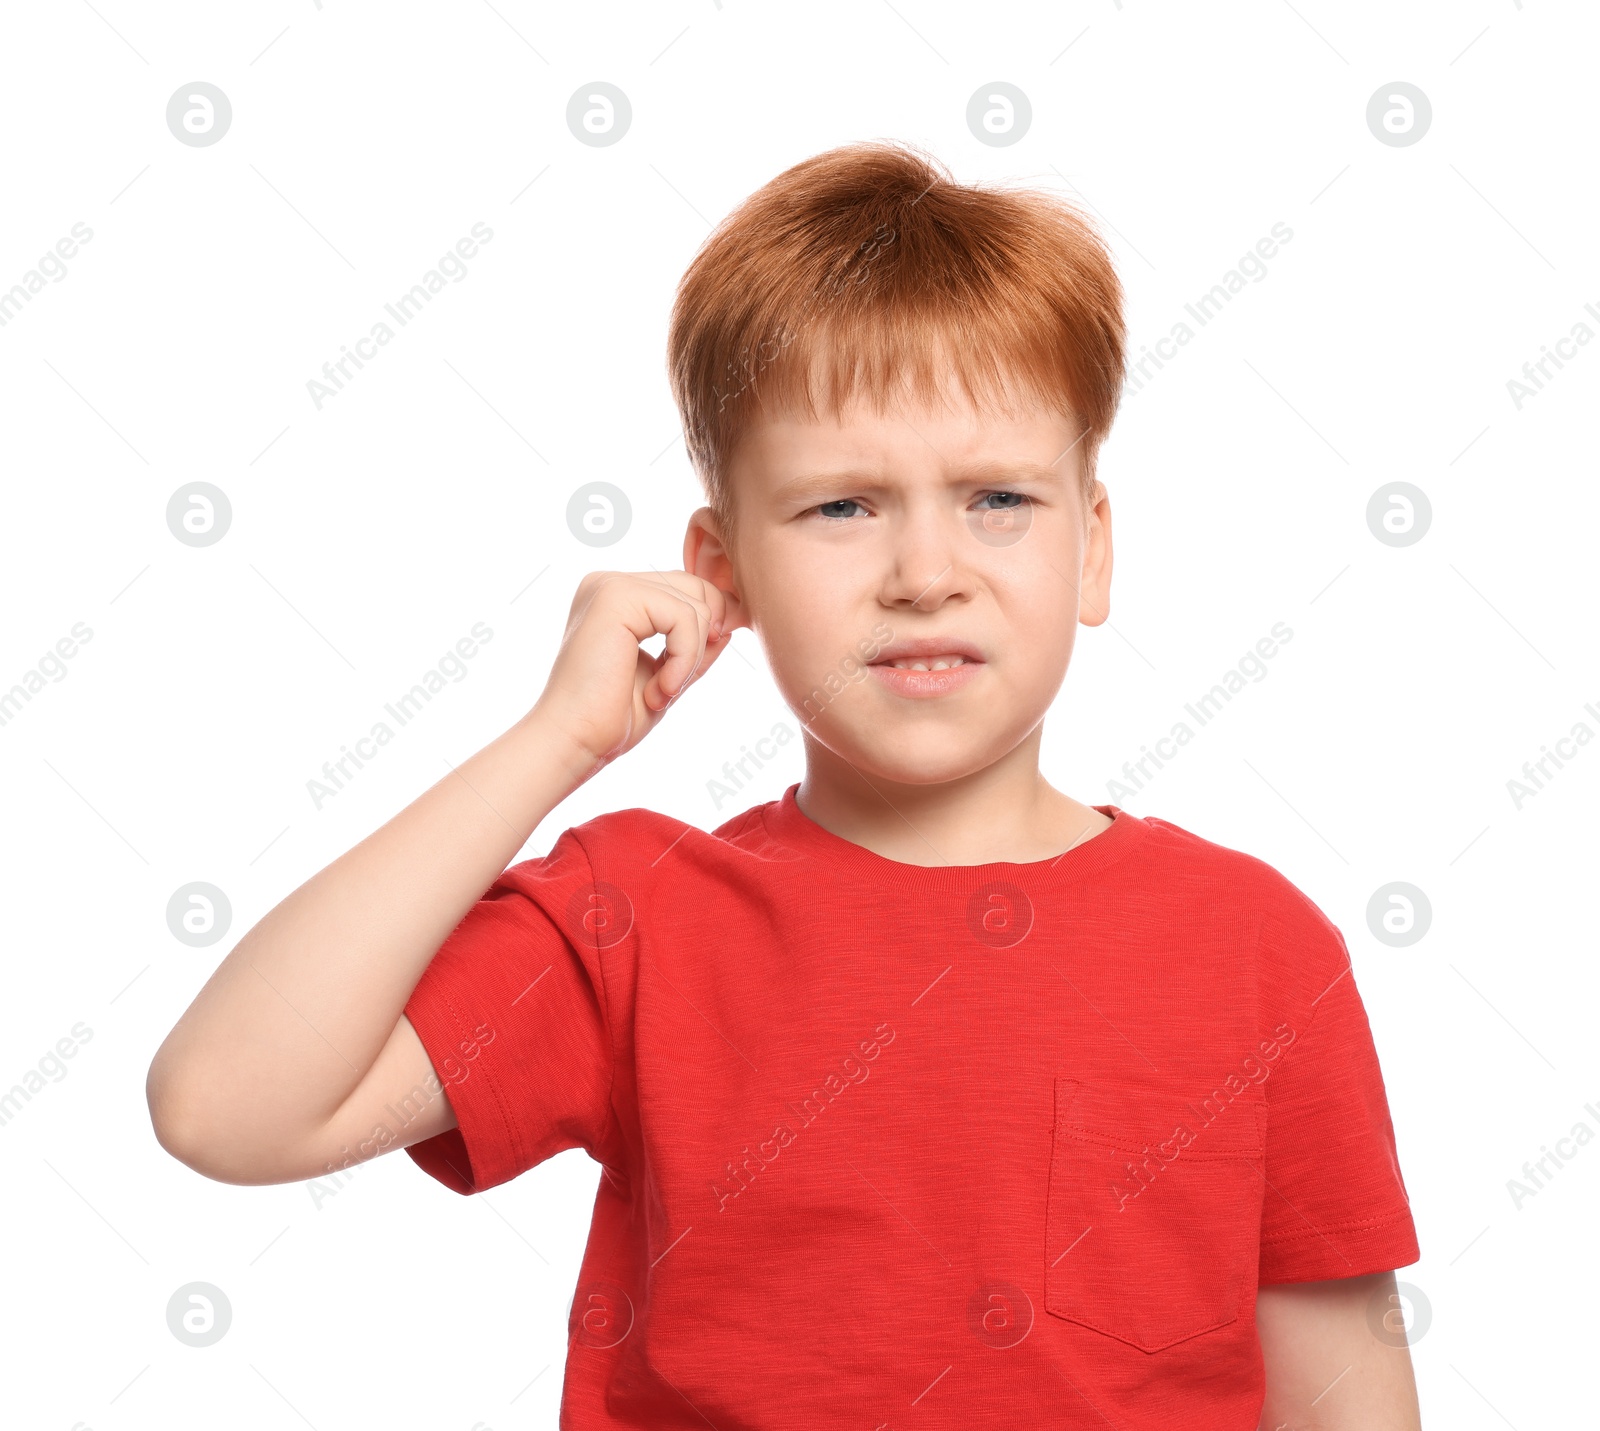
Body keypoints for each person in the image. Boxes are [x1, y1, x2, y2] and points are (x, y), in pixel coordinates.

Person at [147, 139, 1423, 1428]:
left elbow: (1348, 1403)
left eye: (997, 499)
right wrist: (553, 743)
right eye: (841, 509)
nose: (928, 569)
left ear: (1092, 548)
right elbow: (225, 1110)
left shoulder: (1256, 948)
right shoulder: (638, 918)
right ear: (724, 571)